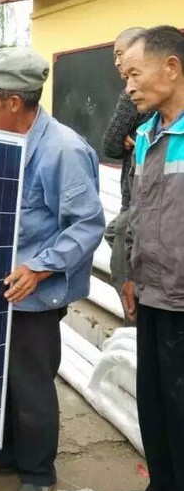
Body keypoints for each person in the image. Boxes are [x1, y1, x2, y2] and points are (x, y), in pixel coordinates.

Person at [0, 47, 105, 491]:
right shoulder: (5, 138)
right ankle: (5, 453)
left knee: (31, 382)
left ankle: (39, 471)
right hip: (2, 283)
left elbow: (87, 224)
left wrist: (40, 267)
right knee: (0, 376)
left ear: (14, 101)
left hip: (35, 291)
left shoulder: (62, 150)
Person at [121, 26, 184, 491]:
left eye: (134, 74)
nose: (128, 86)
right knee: (157, 399)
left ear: (172, 68)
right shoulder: (146, 135)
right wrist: (130, 274)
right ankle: (165, 489)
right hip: (152, 292)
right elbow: (139, 213)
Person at [103, 27, 145, 324]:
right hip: (134, 203)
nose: (117, 64)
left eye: (121, 55)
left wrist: (131, 138)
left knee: (121, 236)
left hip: (138, 206)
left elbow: (110, 142)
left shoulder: (134, 95)